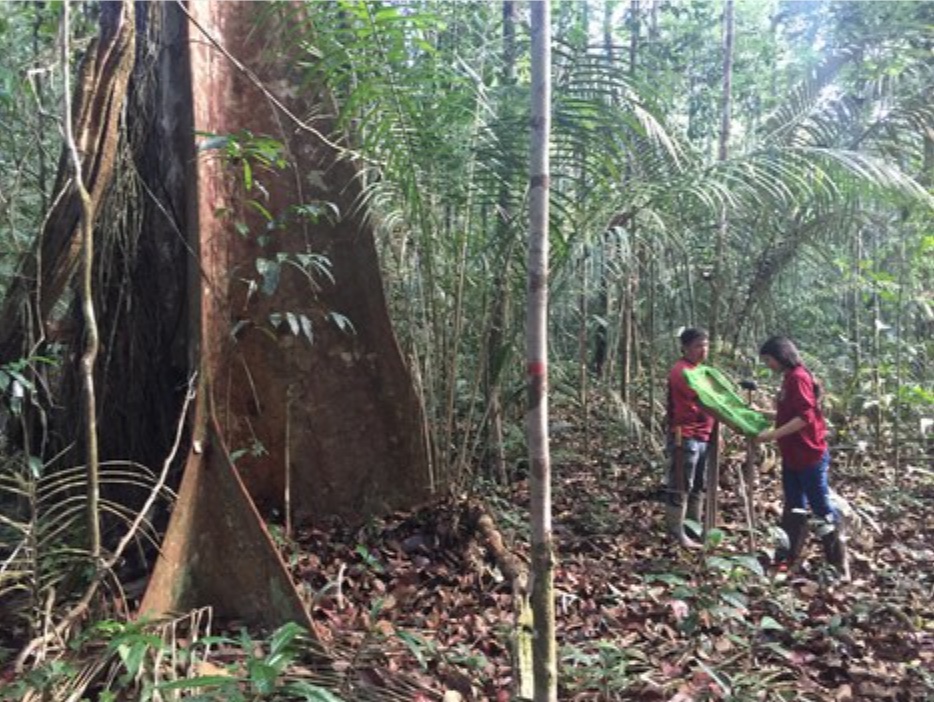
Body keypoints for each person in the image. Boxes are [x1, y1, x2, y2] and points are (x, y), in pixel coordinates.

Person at [755, 336, 849, 580]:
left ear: (780, 356)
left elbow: (804, 417)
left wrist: (772, 435)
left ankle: (838, 564)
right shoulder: (790, 377)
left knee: (821, 509)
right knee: (794, 507)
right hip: (793, 455)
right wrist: (764, 414)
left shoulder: (798, 377)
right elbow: (790, 412)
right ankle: (786, 558)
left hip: (809, 455)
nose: (768, 365)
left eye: (768, 360)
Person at [665, 328, 715, 548]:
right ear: (685, 348)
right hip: (684, 435)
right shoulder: (681, 371)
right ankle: (677, 532)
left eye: (706, 345)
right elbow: (706, 400)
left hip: (703, 435)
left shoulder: (702, 371)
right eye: (698, 346)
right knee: (681, 483)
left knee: (699, 484)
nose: (703, 350)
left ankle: (693, 527)